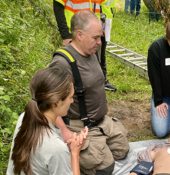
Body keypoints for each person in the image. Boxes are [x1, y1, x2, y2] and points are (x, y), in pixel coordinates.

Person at [50, 10, 129, 175]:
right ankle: (75, 154)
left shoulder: (91, 51)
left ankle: (97, 148)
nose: (99, 42)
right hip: (82, 127)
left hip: (102, 122)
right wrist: (65, 131)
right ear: (79, 35)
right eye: (95, 38)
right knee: (105, 169)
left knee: (123, 150)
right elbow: (48, 103)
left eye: (100, 37)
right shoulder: (62, 63)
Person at [6, 67, 88, 175]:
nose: (72, 101)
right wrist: (74, 152)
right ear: (57, 102)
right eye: (70, 97)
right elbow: (52, 150)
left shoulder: (25, 117)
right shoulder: (56, 149)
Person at [53, 0, 117, 91]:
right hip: (75, 33)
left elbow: (102, 6)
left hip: (92, 33)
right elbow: (58, 5)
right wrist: (65, 35)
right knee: (76, 69)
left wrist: (100, 27)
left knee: (92, 68)